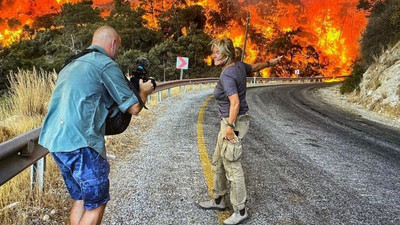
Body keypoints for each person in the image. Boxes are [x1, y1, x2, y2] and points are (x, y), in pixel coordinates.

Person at [38, 26, 154, 225]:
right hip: (82, 144)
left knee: (82, 198)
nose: (117, 52)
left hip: (56, 142)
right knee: (96, 204)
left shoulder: (71, 63)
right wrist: (143, 91)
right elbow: (134, 107)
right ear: (113, 43)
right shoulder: (105, 64)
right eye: (119, 47)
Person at [199, 38, 281, 225]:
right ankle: (219, 200)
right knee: (217, 160)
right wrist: (271, 62)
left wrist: (229, 127)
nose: (213, 56)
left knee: (232, 165)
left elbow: (234, 102)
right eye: (213, 52)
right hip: (229, 121)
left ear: (227, 55)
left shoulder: (227, 75)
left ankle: (240, 210)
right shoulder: (239, 66)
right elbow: (254, 67)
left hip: (233, 122)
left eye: (217, 53)